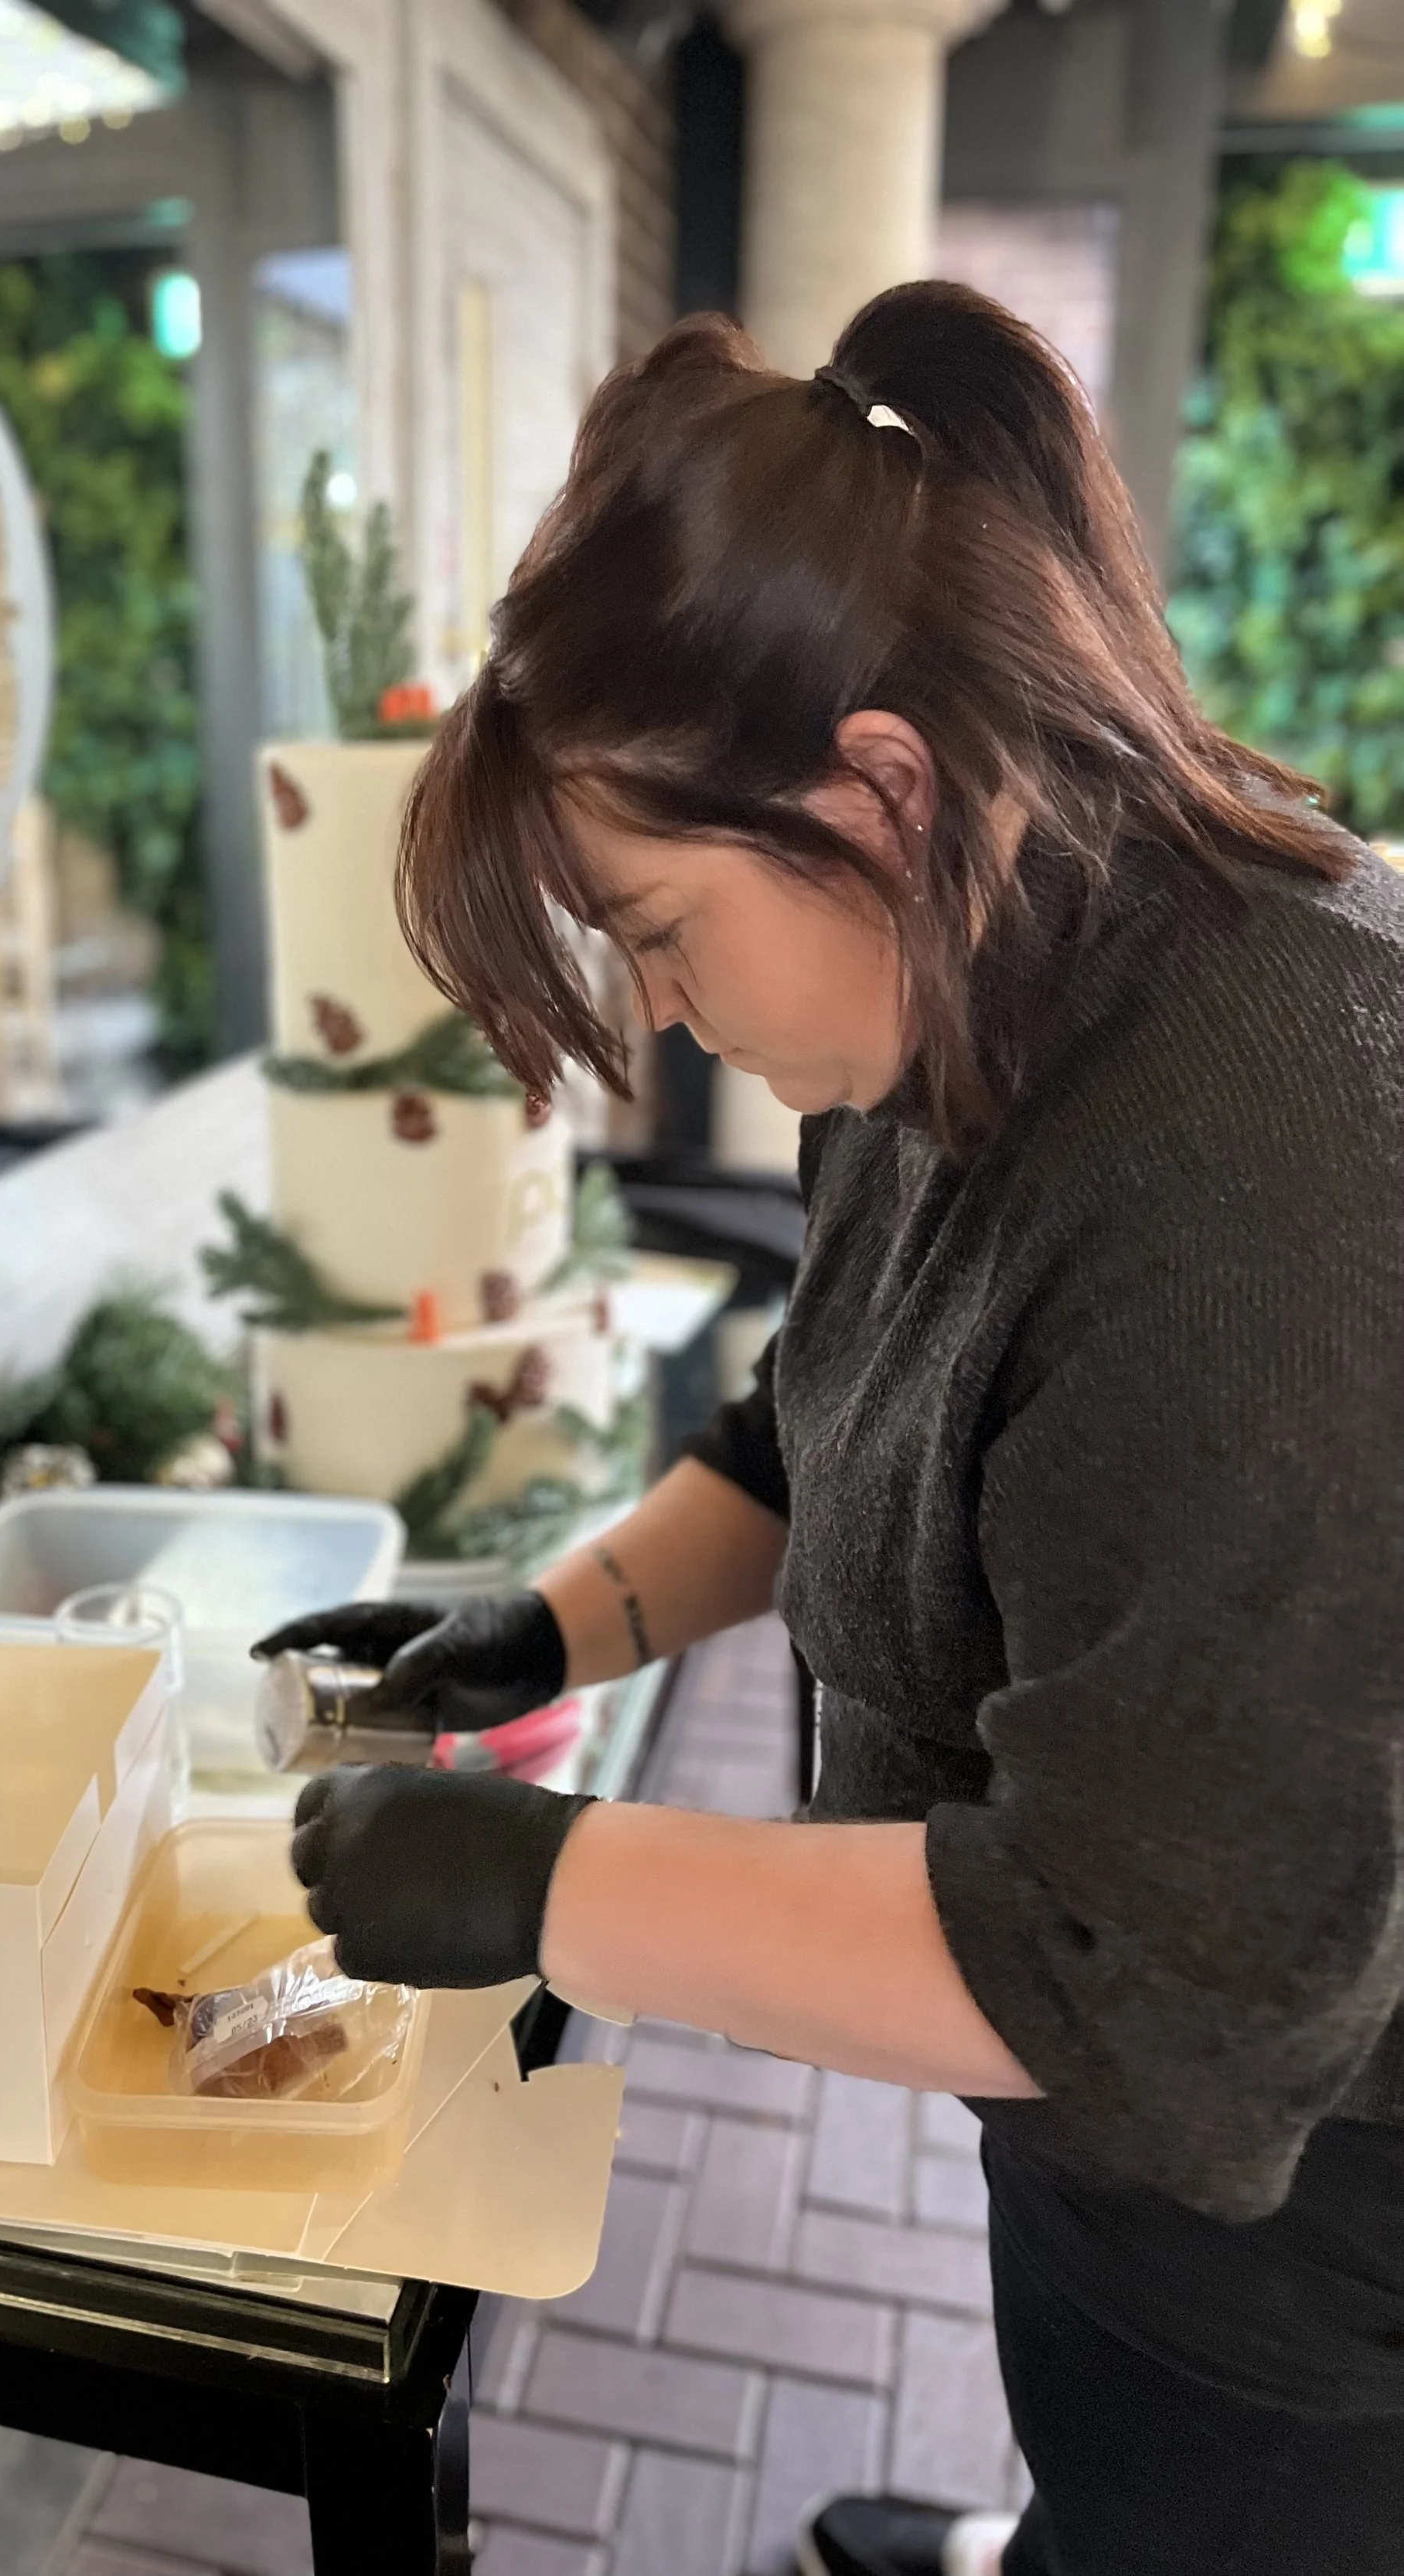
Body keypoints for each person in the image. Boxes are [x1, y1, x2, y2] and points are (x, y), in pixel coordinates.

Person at [254, 284, 1404, 2576]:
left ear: (875, 779)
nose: (661, 1013)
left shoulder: (1261, 1152)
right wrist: (549, 1624)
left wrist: (541, 1886)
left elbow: (1136, 1979)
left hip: (1324, 2241)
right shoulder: (965, 973)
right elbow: (829, 1410)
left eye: (655, 929)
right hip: (1100, 2163)